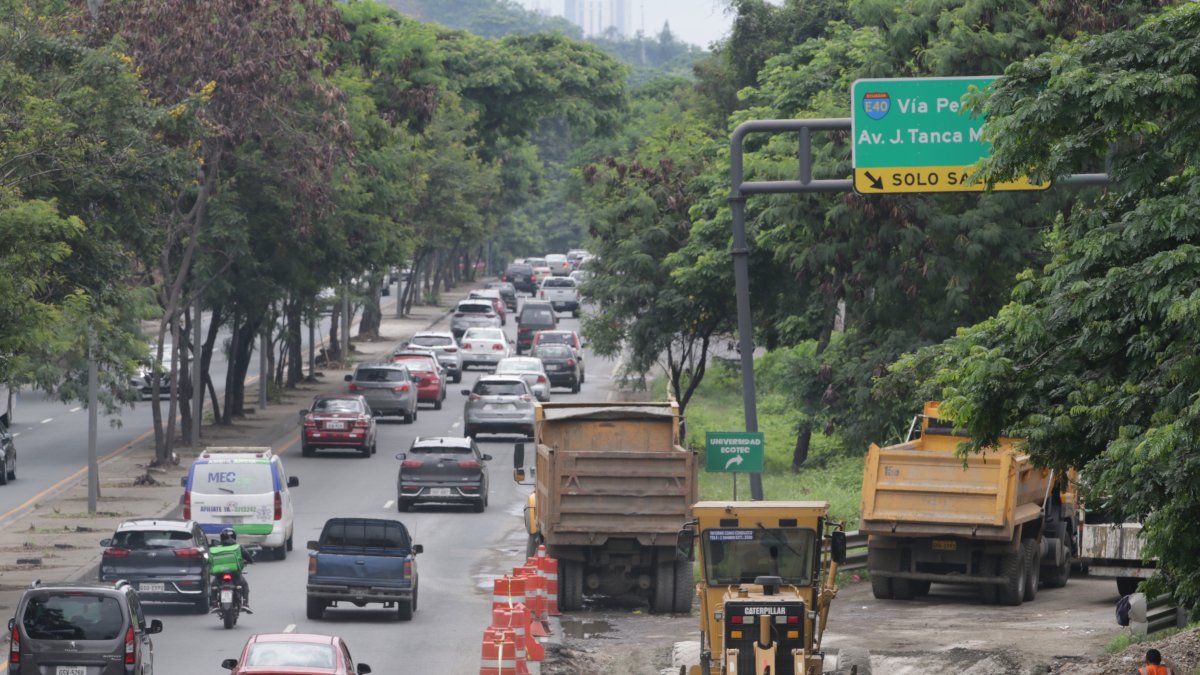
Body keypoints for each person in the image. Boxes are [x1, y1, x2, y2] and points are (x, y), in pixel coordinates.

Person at [210, 528, 254, 613]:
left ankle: (215, 605)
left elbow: (210, 560)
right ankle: (245, 604)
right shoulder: (238, 547)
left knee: (213, 586)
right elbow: (247, 556)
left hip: (220, 574)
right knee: (244, 585)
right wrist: (251, 561)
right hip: (235, 573)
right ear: (234, 537)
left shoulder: (216, 548)